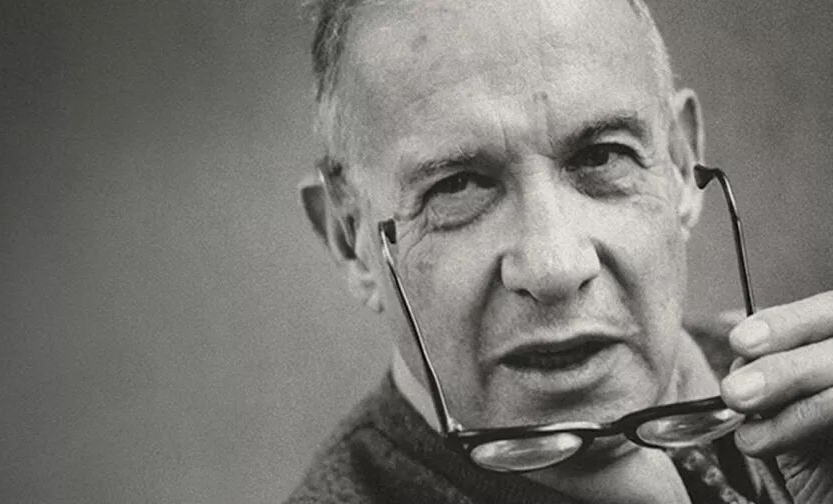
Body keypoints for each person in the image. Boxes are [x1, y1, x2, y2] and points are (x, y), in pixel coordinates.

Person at [290, 0, 833, 503]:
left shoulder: (785, 395)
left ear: (680, 164)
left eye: (601, 157)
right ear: (350, 239)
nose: (556, 269)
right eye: (457, 186)